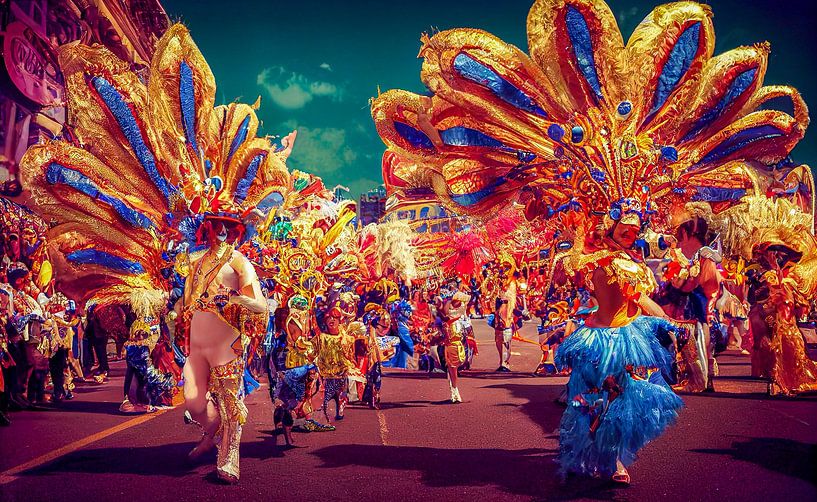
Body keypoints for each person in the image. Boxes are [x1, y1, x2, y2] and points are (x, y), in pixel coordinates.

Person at [178, 216, 267, 483]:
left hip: (227, 341)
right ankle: (213, 428)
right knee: (193, 400)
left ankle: (229, 457)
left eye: (228, 226)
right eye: (216, 225)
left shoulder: (238, 260)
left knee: (229, 403)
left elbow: (260, 305)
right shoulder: (195, 263)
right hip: (198, 342)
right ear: (206, 228)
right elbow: (184, 305)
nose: (222, 231)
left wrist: (234, 298)